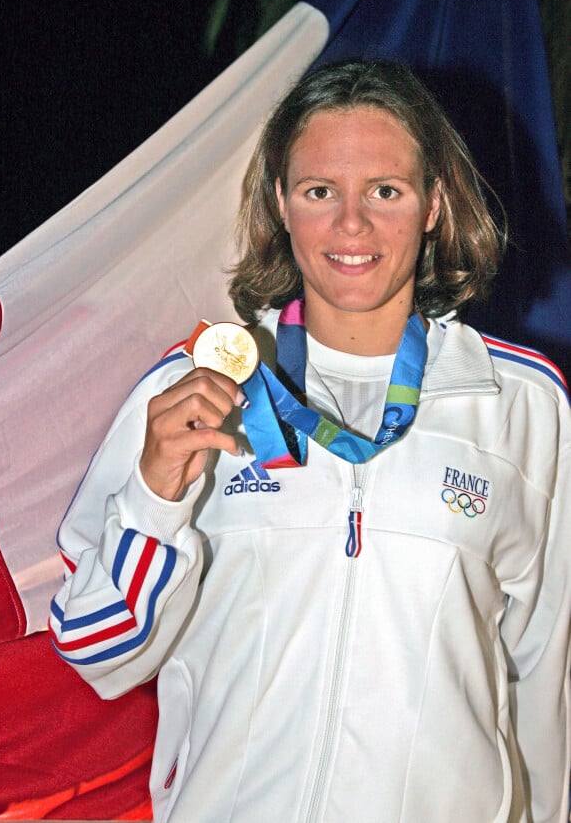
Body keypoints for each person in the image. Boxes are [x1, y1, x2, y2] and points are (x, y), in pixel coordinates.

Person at [50, 60, 570, 822]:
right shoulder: (194, 389)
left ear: (432, 205)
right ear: (280, 204)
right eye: (320, 191)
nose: (351, 225)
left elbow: (548, 674)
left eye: (385, 191)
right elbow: (101, 656)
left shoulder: (523, 404)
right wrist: (154, 497)